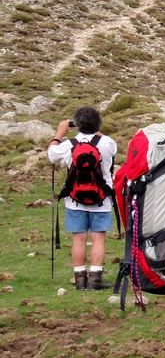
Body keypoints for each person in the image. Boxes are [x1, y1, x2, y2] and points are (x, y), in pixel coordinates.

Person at [47, 106, 117, 291]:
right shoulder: (107, 143)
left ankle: (79, 281)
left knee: (78, 239)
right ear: (98, 124)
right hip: (101, 200)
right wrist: (94, 129)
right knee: (98, 238)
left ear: (76, 124)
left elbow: (51, 156)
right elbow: (110, 150)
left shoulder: (68, 145)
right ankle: (95, 280)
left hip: (75, 199)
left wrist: (59, 133)